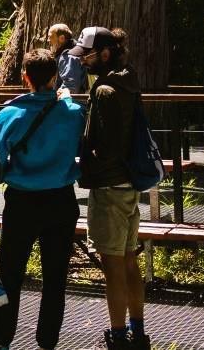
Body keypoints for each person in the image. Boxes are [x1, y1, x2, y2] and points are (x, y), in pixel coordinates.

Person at [0, 49, 84, 350]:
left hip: (21, 202)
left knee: (8, 276)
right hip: (61, 202)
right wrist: (67, 98)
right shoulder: (73, 113)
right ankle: (47, 343)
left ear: (25, 78)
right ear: (55, 76)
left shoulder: (9, 115)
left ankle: (1, 341)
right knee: (55, 278)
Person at [75, 26, 149, 350]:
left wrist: (83, 153)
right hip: (130, 184)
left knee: (113, 268)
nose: (82, 62)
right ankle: (138, 331)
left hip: (108, 187)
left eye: (87, 55)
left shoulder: (105, 90)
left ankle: (118, 338)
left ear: (104, 53)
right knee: (130, 261)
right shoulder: (128, 81)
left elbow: (103, 145)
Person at [48, 22, 84, 94]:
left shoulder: (68, 56)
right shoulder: (69, 53)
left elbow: (70, 87)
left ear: (61, 38)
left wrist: (54, 98)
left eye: (50, 37)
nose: (48, 40)